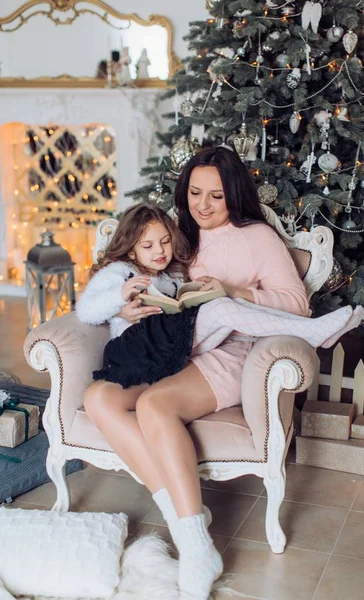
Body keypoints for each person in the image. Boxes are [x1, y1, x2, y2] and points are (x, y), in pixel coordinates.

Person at [80, 147, 363, 600]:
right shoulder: (175, 234)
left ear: (234, 195)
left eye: (215, 195)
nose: (203, 205)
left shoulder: (256, 237)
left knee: (155, 404)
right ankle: (181, 516)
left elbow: (295, 302)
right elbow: (136, 274)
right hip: (174, 345)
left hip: (233, 352)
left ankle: (194, 547)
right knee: (99, 398)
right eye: (194, 193)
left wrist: (233, 289)